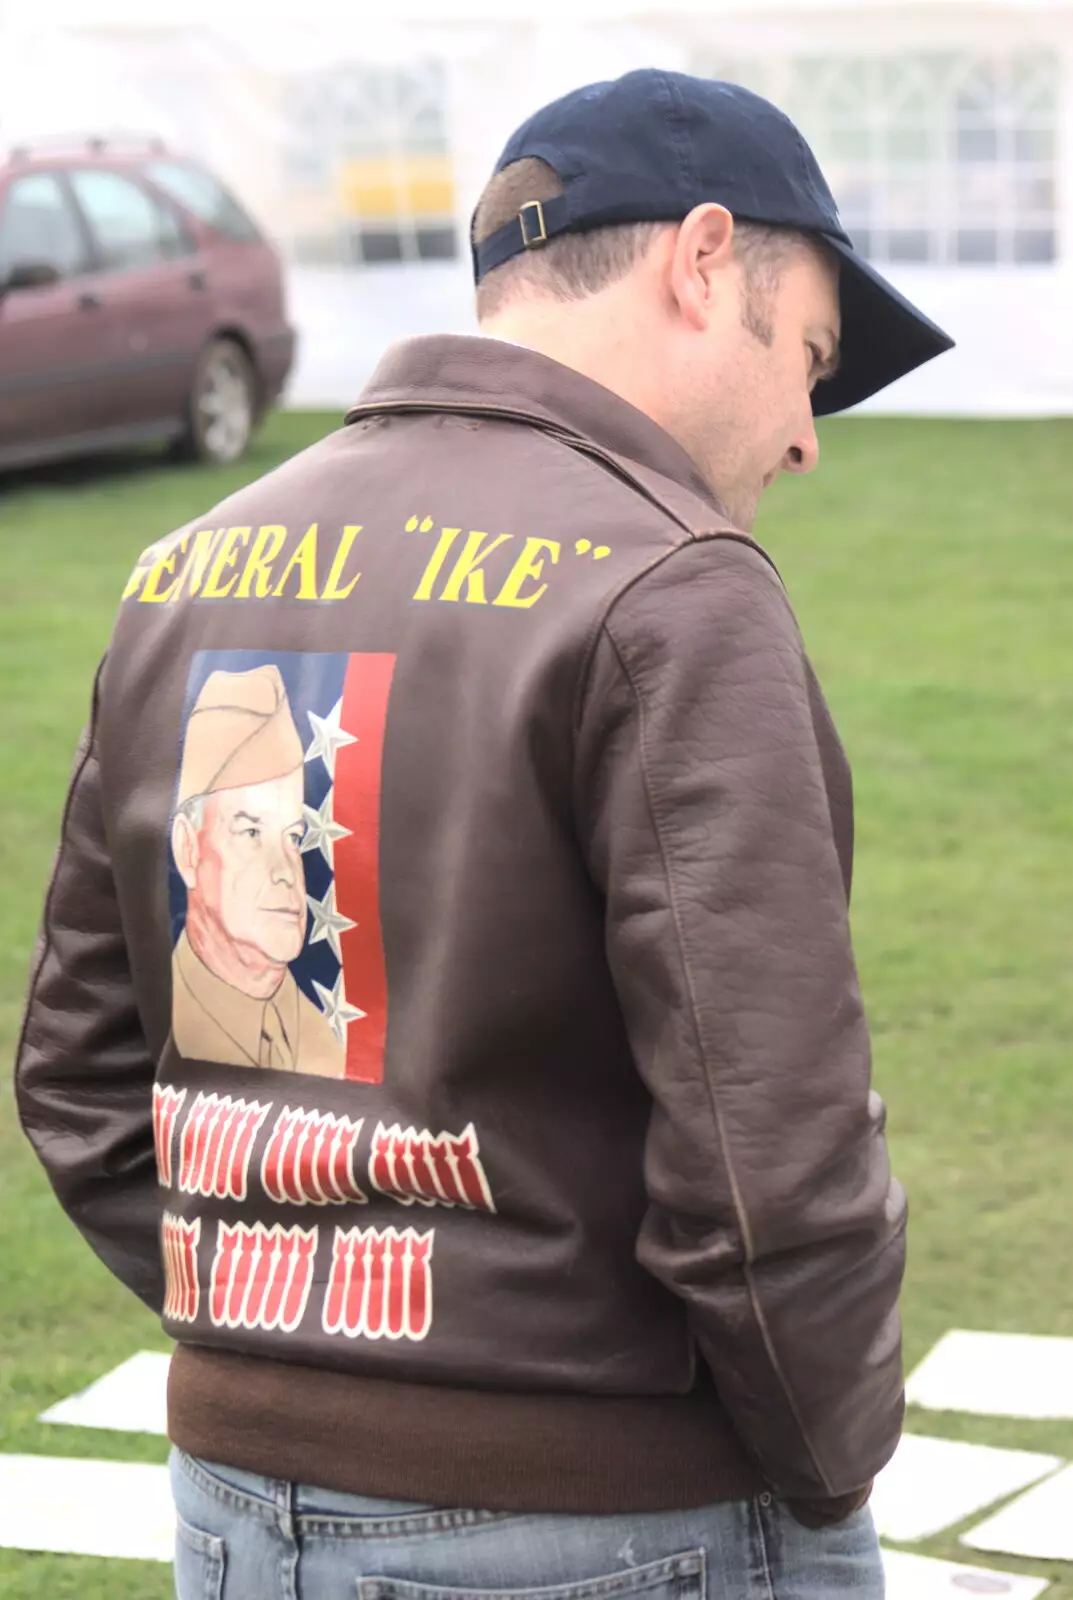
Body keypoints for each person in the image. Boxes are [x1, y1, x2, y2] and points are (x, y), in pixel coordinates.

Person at [15, 69, 953, 1600]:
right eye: (809, 357)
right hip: (605, 1520)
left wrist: (299, 1337)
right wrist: (827, 1477)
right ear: (701, 259)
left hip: (231, 1509)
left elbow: (76, 1078)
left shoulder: (186, 568)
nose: (805, 437)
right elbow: (768, 1167)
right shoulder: (673, 589)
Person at [170, 664, 346, 1078]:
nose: (287, 872)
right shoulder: (170, 1018)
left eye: (293, 838)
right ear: (188, 848)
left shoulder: (319, 1032)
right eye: (251, 832)